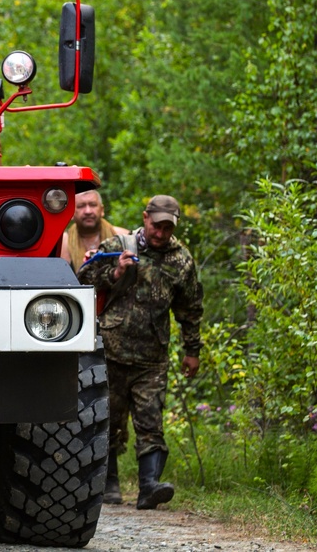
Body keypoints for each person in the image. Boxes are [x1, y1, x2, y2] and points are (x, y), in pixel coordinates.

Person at [76, 195, 203, 510]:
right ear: (145, 218)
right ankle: (110, 485)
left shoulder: (182, 261)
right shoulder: (118, 246)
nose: (160, 233)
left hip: (152, 358)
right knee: (110, 420)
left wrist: (192, 350)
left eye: (166, 228)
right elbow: (81, 279)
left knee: (151, 422)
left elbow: (190, 309)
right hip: (112, 351)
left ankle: (149, 486)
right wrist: (114, 273)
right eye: (156, 225)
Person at [60, 190, 129, 268]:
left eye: (93, 205)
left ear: (102, 210)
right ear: (71, 212)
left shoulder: (123, 237)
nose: (88, 211)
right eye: (81, 206)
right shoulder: (62, 244)